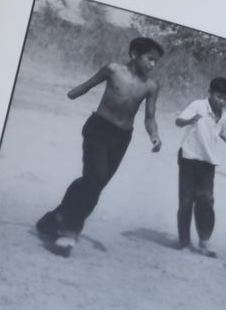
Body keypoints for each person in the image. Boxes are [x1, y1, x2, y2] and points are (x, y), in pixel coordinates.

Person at [36, 36, 164, 253]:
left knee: (95, 186)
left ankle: (53, 219)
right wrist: (71, 93)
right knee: (94, 177)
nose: (153, 64)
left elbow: (149, 117)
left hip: (121, 138)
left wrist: (154, 135)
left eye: (156, 61)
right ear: (134, 54)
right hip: (98, 129)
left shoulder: (151, 86)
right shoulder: (113, 70)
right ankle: (69, 231)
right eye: (150, 58)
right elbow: (88, 85)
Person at [175, 77, 226, 254]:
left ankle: (204, 239)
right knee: (186, 200)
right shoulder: (198, 105)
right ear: (209, 93)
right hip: (189, 157)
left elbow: (222, 132)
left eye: (225, 99)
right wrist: (189, 120)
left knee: (206, 199)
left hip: (208, 162)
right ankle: (184, 242)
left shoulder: (223, 114)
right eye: (218, 96)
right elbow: (178, 121)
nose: (221, 101)